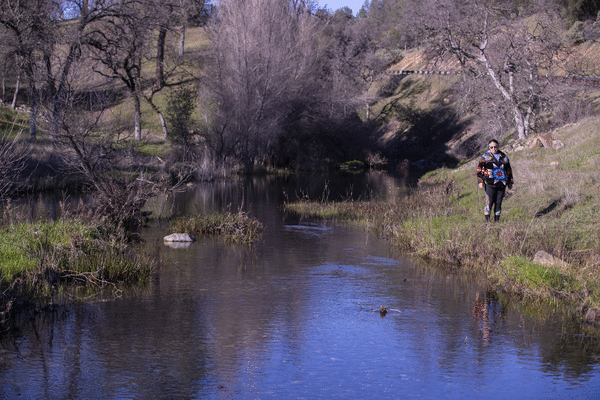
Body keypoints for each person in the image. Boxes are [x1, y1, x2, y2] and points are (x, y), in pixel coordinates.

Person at [476, 139, 514, 222]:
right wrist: (480, 181)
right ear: (489, 147)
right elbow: (479, 171)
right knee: (489, 201)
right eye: (491, 147)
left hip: (502, 184)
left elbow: (508, 170)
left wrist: (510, 182)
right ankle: (487, 221)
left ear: (498, 146)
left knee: (498, 202)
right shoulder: (485, 157)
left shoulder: (504, 157)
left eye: (495, 147)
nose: (494, 148)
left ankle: (497, 220)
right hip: (489, 183)